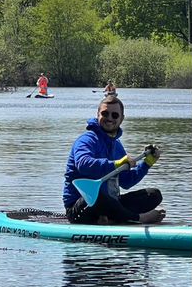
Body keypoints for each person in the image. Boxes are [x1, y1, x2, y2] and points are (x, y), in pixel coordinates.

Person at [63, 95, 166, 225]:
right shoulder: (86, 140)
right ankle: (138, 218)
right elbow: (83, 164)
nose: (109, 118)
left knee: (153, 194)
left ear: (122, 119)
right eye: (105, 113)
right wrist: (116, 164)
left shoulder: (117, 146)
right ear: (98, 114)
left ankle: (110, 219)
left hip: (111, 204)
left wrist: (146, 164)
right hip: (81, 208)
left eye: (115, 115)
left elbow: (126, 182)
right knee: (98, 196)